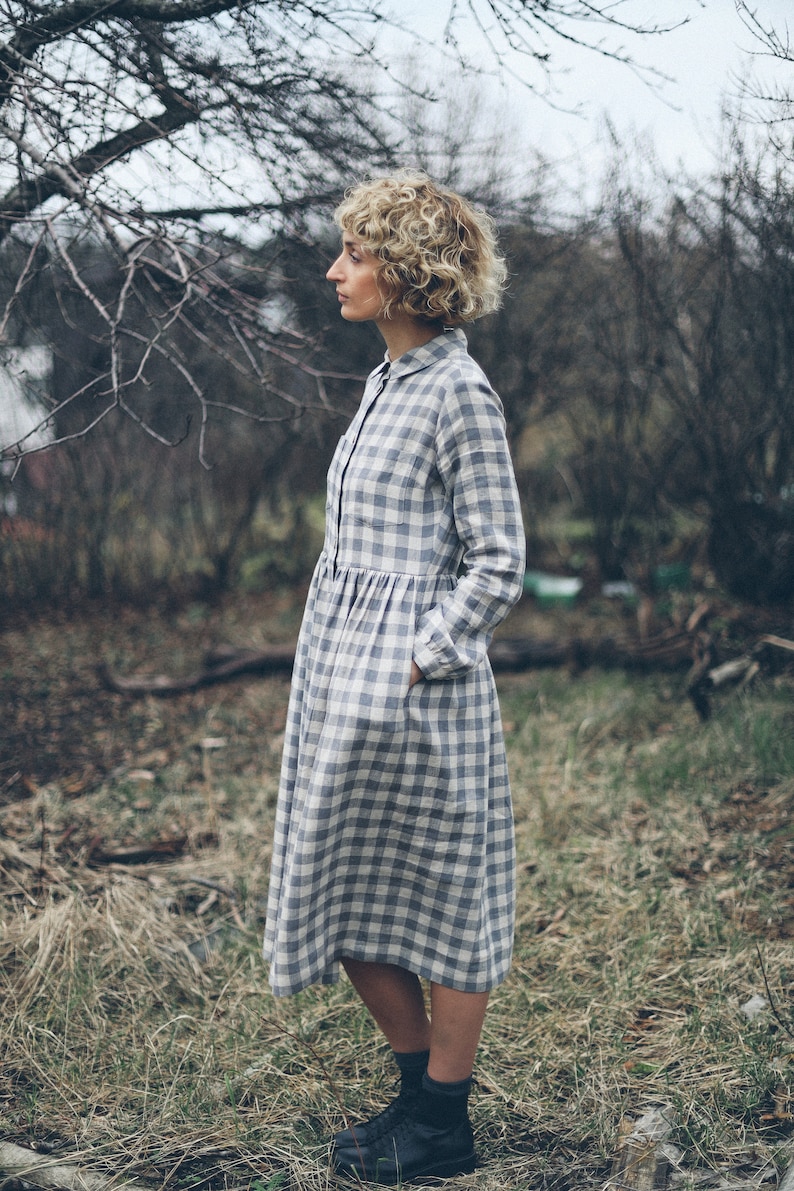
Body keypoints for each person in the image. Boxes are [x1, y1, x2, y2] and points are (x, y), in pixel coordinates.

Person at [263, 171, 526, 1185]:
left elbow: (498, 557)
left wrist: (415, 659)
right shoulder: (386, 380)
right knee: (339, 894)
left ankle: (440, 1128)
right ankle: (418, 1101)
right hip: (344, 686)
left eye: (356, 255)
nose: (335, 271)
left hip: (421, 698)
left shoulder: (459, 390)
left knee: (448, 905)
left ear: (409, 273)